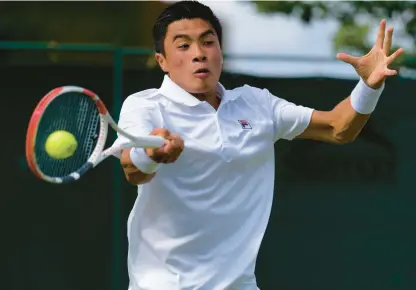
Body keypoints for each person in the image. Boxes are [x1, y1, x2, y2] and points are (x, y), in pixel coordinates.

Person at [113, 1, 404, 289]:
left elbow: (337, 128)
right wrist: (153, 154)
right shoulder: (144, 106)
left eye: (208, 42)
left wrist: (369, 86)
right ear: (161, 60)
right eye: (183, 45)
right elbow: (132, 168)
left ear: (220, 52)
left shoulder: (256, 103)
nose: (199, 54)